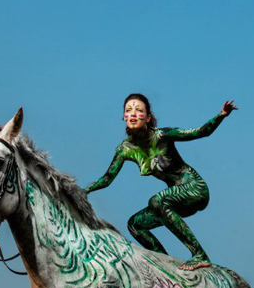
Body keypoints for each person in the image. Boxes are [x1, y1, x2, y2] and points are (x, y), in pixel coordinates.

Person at [85, 93, 237, 270]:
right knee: (135, 224)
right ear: (124, 117)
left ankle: (199, 254)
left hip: (194, 188)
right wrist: (83, 191)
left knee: (156, 201)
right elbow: (107, 178)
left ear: (148, 117)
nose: (133, 114)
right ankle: (166, 264)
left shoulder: (162, 135)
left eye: (139, 110)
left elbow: (200, 132)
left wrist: (221, 115)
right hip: (175, 199)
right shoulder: (124, 149)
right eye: (128, 111)